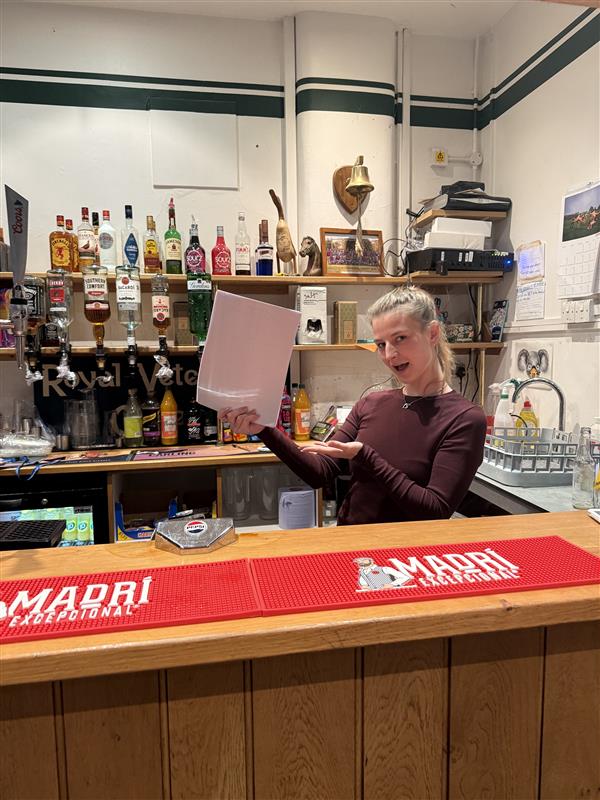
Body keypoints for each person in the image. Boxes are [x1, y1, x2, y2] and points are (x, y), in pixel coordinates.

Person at [218, 285, 487, 526]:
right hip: (351, 547)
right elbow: (320, 472)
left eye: (400, 338)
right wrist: (265, 430)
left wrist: (366, 457)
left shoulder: (464, 419)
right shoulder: (372, 403)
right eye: (380, 344)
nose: (389, 354)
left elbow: (434, 510)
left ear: (432, 333)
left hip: (405, 556)